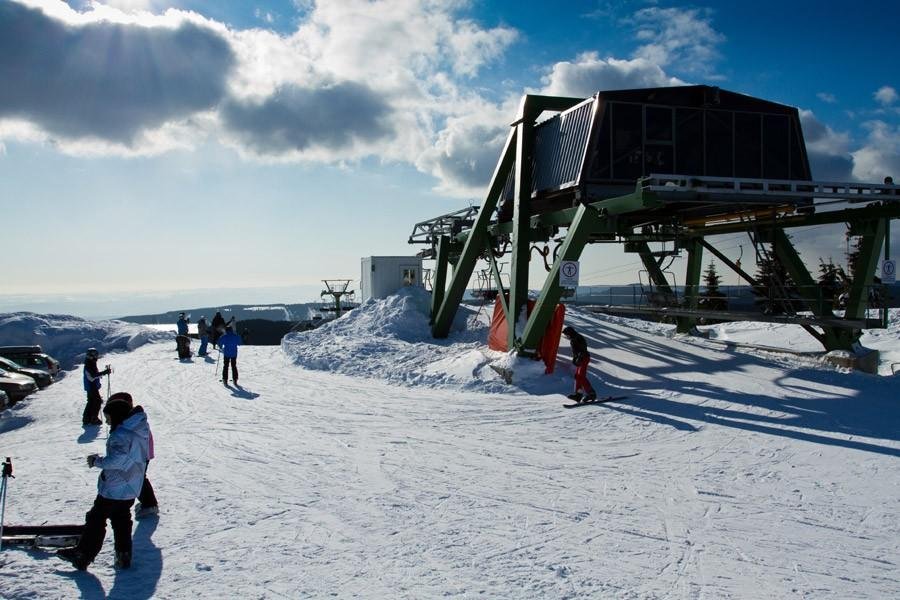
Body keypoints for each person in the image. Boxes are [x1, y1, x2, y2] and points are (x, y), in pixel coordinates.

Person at [57, 398, 149, 571]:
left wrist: (97, 461)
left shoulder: (121, 434)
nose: (106, 421)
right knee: (121, 519)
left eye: (108, 418)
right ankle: (123, 554)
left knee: (96, 519)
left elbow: (118, 459)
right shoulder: (137, 429)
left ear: (117, 416)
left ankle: (83, 554)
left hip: (115, 487)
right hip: (131, 484)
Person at [109, 391, 159, 520]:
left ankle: (149, 504)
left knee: (138, 478)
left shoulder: (132, 421)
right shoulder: (131, 419)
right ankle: (148, 503)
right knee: (139, 477)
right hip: (140, 453)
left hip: (140, 453)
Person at [561, 326, 597, 402]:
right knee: (577, 376)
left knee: (581, 376)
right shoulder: (573, 339)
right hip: (580, 359)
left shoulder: (578, 338)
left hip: (584, 358)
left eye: (567, 334)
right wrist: (575, 359)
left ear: (570, 333)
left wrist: (579, 358)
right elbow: (575, 352)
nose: (566, 336)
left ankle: (591, 394)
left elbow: (583, 349)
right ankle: (578, 394)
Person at [82, 348, 111, 426]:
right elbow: (93, 375)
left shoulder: (90, 363)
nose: (96, 357)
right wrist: (105, 372)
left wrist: (103, 373)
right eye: (95, 355)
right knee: (97, 401)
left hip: (90, 386)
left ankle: (86, 418)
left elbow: (93, 375)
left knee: (91, 401)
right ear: (91, 356)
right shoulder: (90, 364)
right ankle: (93, 418)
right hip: (92, 386)